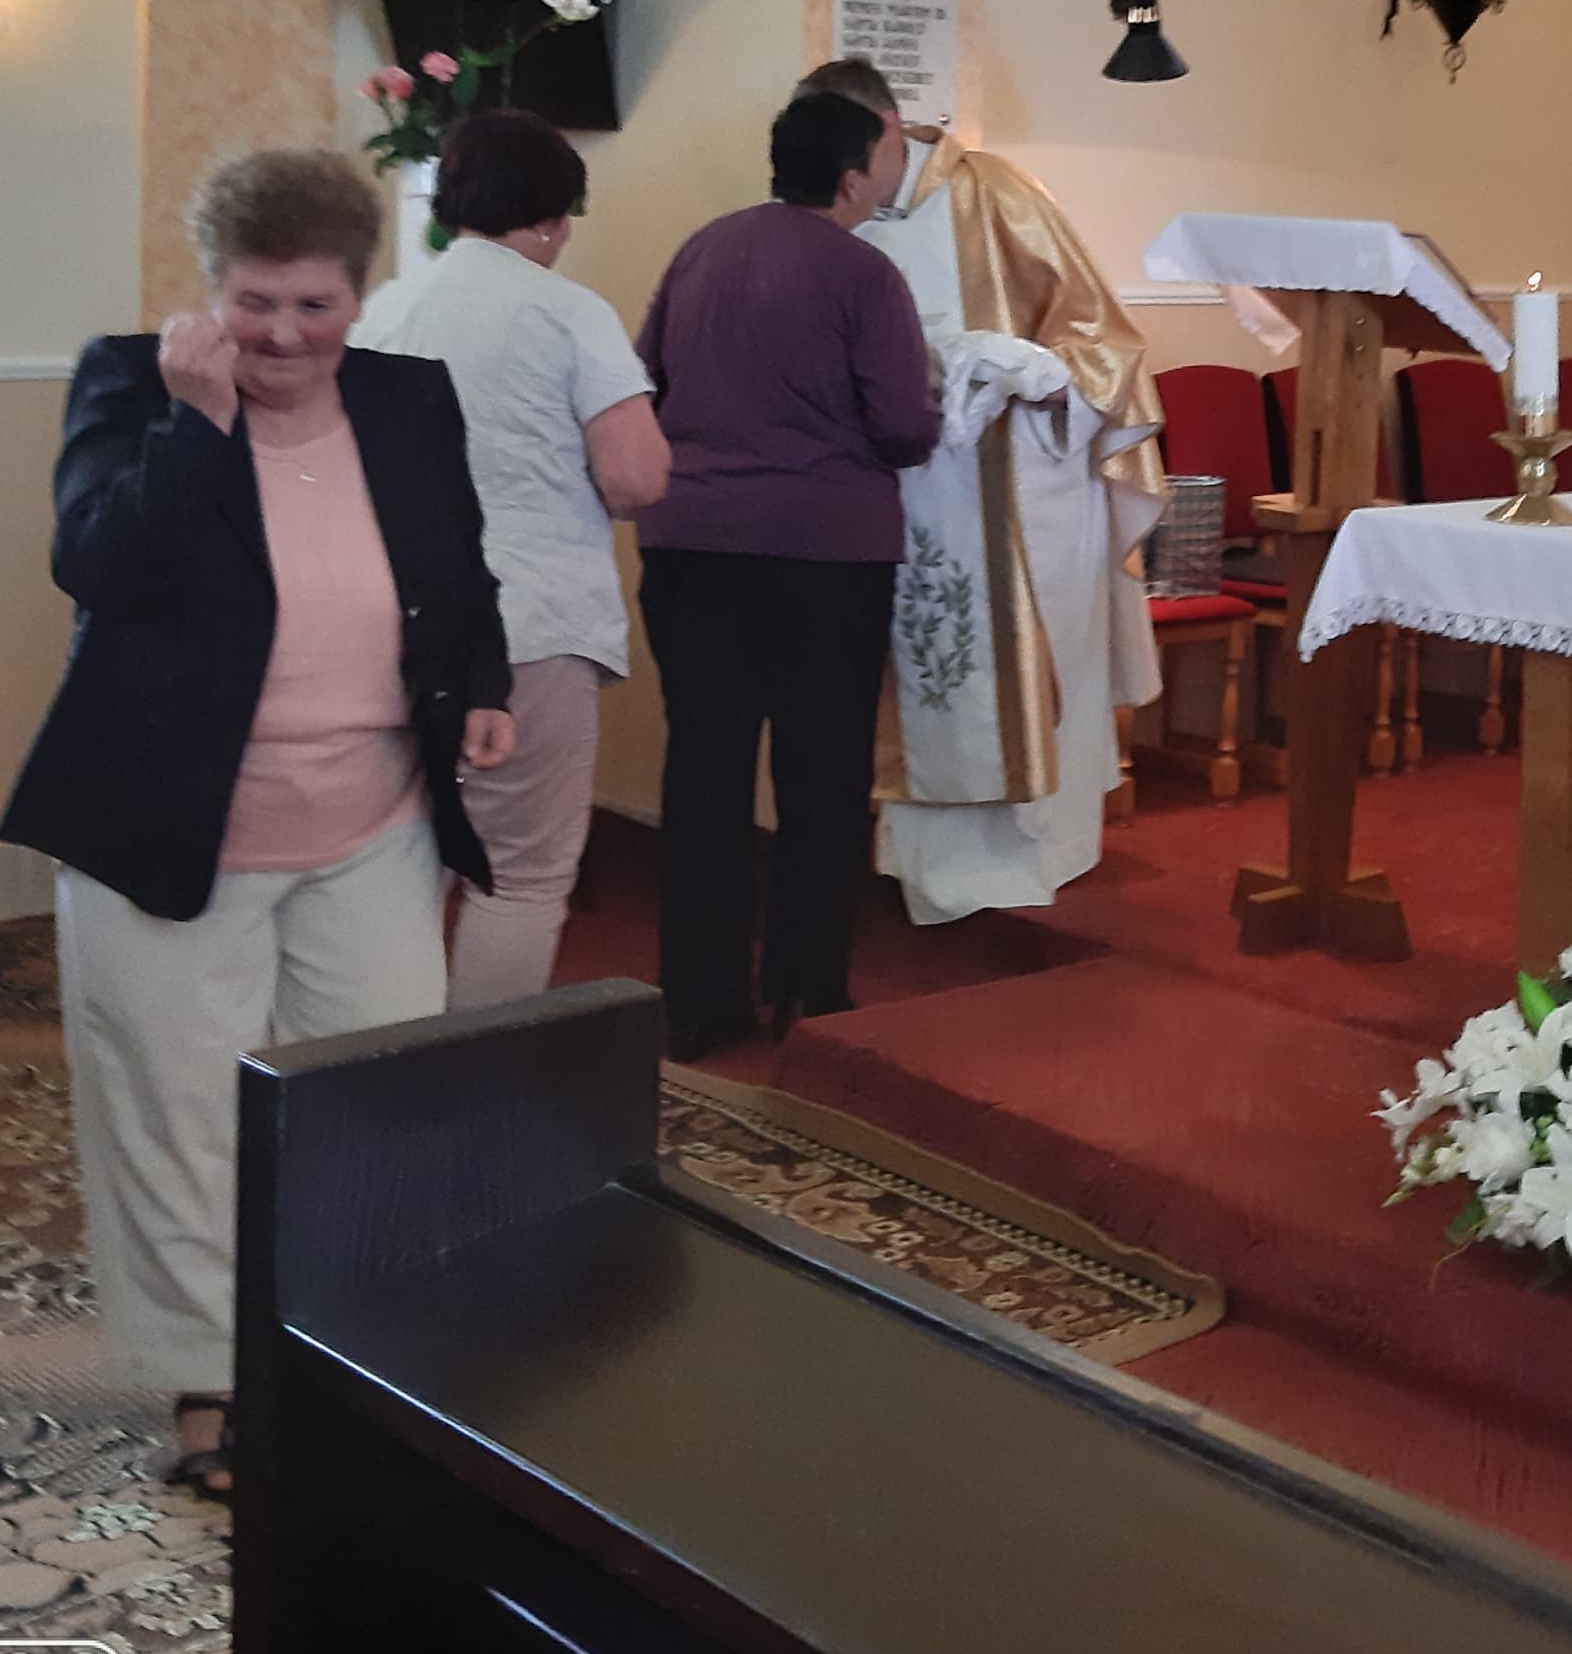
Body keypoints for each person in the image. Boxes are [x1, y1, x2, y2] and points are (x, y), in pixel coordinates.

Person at [0, 149, 514, 1501]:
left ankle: (347, 1355)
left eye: (314, 306)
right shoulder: (133, 385)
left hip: (373, 822)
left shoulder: (408, 398)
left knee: (368, 1102)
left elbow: (458, 570)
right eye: (256, 303)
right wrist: (198, 424)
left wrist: (485, 687)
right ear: (212, 289)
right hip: (167, 825)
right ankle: (209, 1389)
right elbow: (98, 563)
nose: (283, 335)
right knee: (176, 1118)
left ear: (361, 293)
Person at [797, 59, 1164, 922]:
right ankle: (924, 869)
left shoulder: (996, 194)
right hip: (895, 490)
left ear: (892, 129)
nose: (844, 176)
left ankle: (1030, 860)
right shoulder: (832, 209)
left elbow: (1103, 345)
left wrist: (1022, 370)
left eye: (852, 153)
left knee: (1013, 669)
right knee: (915, 672)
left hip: (1016, 486)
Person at [632, 88, 938, 1054]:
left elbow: (647, 383)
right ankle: (807, 986)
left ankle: (698, 1004)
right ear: (850, 178)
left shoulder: (702, 250)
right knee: (824, 771)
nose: (891, 172)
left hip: (690, 544)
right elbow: (904, 426)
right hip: (824, 554)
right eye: (886, 156)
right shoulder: (865, 273)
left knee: (705, 770)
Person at [352, 107, 668, 1005]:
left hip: (394, 618)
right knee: (520, 875)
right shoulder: (569, 312)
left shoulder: (386, 307)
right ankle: (470, 1076)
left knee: (404, 861)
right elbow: (635, 477)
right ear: (556, 216)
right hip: (530, 622)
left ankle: (378, 1059)